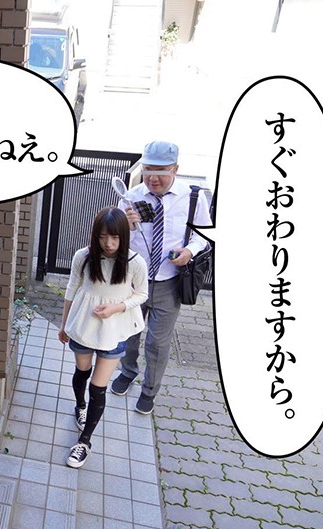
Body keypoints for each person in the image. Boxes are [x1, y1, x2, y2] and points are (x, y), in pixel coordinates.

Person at [111, 140, 212, 414]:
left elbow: (203, 235)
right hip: (134, 282)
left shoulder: (192, 197)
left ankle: (149, 391)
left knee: (157, 342)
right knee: (129, 334)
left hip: (170, 283)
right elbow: (116, 240)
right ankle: (127, 372)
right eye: (148, 169)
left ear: (175, 169)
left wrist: (189, 251)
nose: (152, 178)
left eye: (160, 171)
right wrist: (124, 226)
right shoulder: (131, 196)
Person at [58, 207, 149, 468]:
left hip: (114, 330)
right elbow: (72, 288)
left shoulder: (135, 262)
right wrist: (64, 324)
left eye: (115, 237)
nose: (108, 243)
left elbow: (142, 294)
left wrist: (117, 307)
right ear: (95, 235)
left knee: (98, 387)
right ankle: (80, 406)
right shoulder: (83, 256)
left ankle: (84, 442)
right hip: (84, 326)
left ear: (124, 236)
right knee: (82, 372)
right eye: (103, 236)